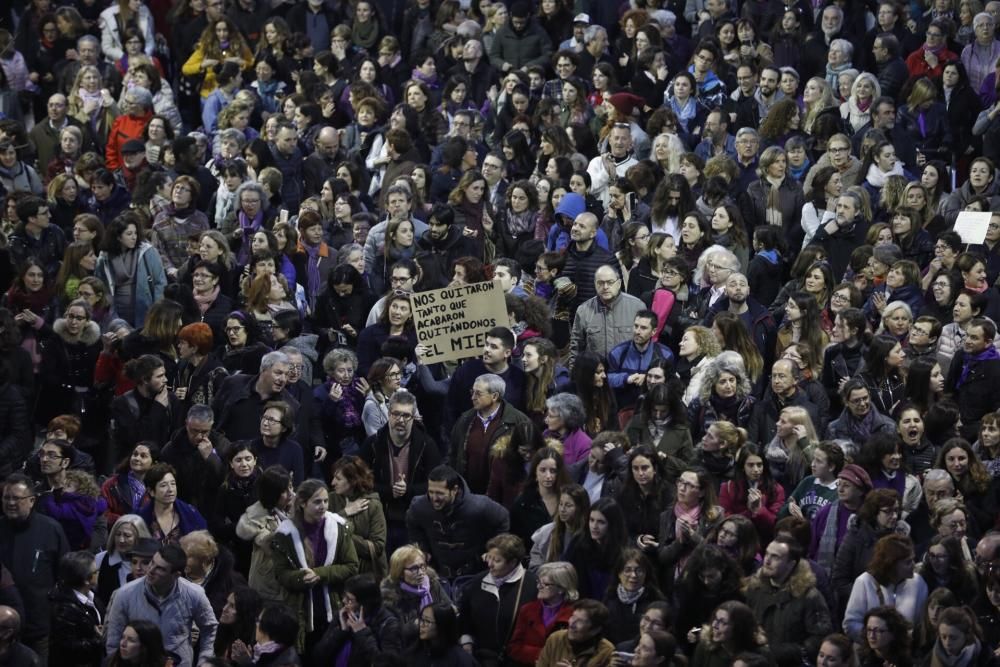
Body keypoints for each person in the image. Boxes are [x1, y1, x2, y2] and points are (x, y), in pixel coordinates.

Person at [270, 479, 359, 651]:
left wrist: (320, 574)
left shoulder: (339, 527)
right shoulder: (285, 534)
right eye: (317, 502)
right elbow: (280, 574)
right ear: (303, 503)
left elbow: (351, 565)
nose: (323, 506)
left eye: (326, 501)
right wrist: (301, 577)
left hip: (333, 606)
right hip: (300, 610)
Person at [103, 544, 217, 667]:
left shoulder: (194, 594)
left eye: (160, 568)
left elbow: (209, 628)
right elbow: (114, 639)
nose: (151, 570)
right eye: (152, 562)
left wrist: (205, 660)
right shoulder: (125, 594)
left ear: (176, 575)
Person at [0, 473, 69, 662]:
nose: (11, 503)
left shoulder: (51, 530)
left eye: (17, 498)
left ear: (31, 501)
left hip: (37, 627)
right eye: (7, 497)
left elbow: (63, 576)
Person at [406, 465, 510, 588]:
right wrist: (422, 548)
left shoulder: (478, 506)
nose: (434, 498)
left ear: (454, 490)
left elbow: (503, 519)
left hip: (473, 575)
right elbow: (412, 523)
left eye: (439, 493)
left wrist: (494, 550)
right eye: (431, 492)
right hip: (438, 575)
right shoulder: (420, 506)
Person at [743, 535, 833, 664]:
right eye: (767, 554)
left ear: (791, 564)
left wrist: (788, 652)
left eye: (775, 557)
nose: (767, 561)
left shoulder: (809, 596)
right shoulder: (755, 588)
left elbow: (820, 638)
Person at [459, 533, 538, 664]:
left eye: (497, 561)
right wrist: (466, 642)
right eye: (488, 558)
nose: (490, 564)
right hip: (481, 658)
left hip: (517, 660)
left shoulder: (532, 585)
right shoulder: (477, 582)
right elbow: (464, 620)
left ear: (513, 562)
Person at [842, 534, 927, 641]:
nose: (914, 565)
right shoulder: (865, 582)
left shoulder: (918, 583)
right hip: (870, 652)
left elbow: (921, 623)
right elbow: (851, 624)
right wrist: (876, 638)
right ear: (892, 564)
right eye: (908, 562)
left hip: (906, 651)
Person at [310, 573, 403, 666]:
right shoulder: (343, 616)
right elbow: (318, 657)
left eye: (349, 599)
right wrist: (341, 631)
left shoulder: (388, 624)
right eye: (344, 596)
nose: (344, 601)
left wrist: (362, 633)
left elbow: (387, 664)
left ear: (365, 604)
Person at [507, 560, 578, 665]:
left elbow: (575, 652)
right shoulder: (527, 610)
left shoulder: (576, 614)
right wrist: (546, 656)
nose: (538, 587)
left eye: (545, 584)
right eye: (538, 582)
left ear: (561, 588)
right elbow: (514, 647)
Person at [329, 456, 387, 579]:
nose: (332, 482)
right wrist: (344, 513)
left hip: (366, 576)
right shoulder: (330, 500)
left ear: (353, 480)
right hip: (338, 574)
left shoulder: (373, 506)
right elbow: (322, 528)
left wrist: (344, 534)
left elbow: (377, 547)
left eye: (338, 479)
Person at [536, 598, 616, 666]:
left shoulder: (606, 652)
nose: (571, 624)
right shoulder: (555, 639)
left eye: (580, 621)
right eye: (573, 617)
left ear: (595, 630)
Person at [410, 601, 478, 667]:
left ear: (442, 625)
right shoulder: (416, 653)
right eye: (421, 619)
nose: (421, 625)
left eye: (427, 621)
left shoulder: (461, 660)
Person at [105, 619, 170, 667]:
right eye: (123, 637)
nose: (123, 644)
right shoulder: (113, 663)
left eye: (131, 640)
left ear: (145, 646)